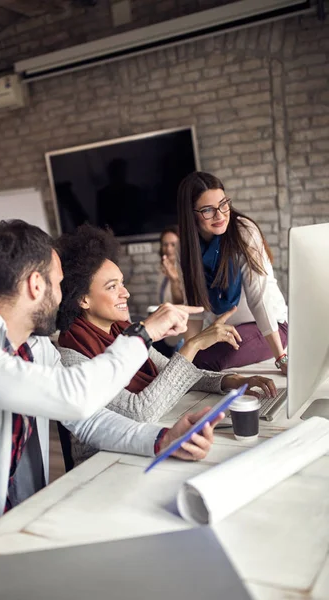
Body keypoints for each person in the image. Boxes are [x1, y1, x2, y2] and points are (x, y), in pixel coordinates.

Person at [0, 219, 223, 562]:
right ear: (35, 285)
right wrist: (142, 335)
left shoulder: (37, 350)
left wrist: (162, 439)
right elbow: (74, 394)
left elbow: (86, 418)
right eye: (58, 283)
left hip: (16, 526)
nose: (61, 294)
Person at [56, 224, 276, 467]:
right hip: (101, 465)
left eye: (122, 283)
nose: (126, 293)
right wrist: (192, 346)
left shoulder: (124, 333)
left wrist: (228, 381)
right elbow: (139, 412)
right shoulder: (72, 356)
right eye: (112, 287)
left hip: (138, 452)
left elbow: (169, 370)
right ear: (83, 299)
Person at [177, 171, 288, 373]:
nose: (220, 215)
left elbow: (259, 299)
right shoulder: (187, 249)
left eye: (223, 204)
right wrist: (186, 355)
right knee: (188, 360)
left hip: (271, 328)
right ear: (190, 213)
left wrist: (281, 358)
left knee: (205, 360)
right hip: (229, 330)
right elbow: (194, 307)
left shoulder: (244, 231)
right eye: (208, 210)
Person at [153, 225, 184, 357]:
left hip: (181, 327)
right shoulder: (162, 271)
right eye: (165, 244)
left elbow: (180, 302)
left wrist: (174, 280)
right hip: (166, 325)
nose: (169, 249)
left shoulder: (184, 269)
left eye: (173, 244)